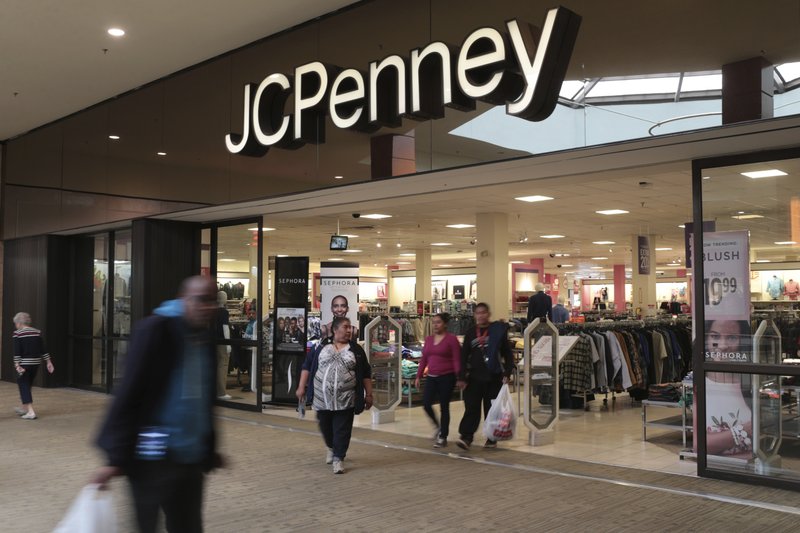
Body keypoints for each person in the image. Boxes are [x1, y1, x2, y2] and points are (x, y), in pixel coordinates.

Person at [92, 276, 224, 533]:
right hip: (152, 455)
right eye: (201, 300)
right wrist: (114, 456)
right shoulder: (156, 330)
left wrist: (210, 448)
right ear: (184, 299)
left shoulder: (204, 338)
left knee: (188, 526)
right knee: (147, 525)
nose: (208, 307)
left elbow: (205, 402)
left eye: (213, 301)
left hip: (190, 457)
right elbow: (129, 393)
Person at [295, 316, 373, 474]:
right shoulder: (321, 345)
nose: (349, 330)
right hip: (321, 399)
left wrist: (369, 394)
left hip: (346, 399)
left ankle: (339, 457)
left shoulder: (356, 350)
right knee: (325, 425)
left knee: (342, 429)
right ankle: (331, 447)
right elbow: (307, 366)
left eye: (350, 327)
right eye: (345, 327)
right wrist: (301, 387)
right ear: (335, 329)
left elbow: (365, 373)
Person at [456, 302, 514, 450]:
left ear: (488, 314)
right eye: (478, 313)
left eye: (483, 312)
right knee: (471, 408)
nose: (481, 315)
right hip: (474, 378)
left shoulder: (497, 331)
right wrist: (461, 377)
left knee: (492, 410)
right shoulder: (470, 333)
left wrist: (507, 372)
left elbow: (507, 353)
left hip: (494, 378)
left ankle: (491, 438)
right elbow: (463, 356)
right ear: (474, 315)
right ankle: (466, 437)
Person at [704, 319, 753, 459]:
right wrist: (743, 430)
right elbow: (700, 446)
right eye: (715, 336)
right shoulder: (700, 384)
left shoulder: (750, 381)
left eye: (731, 337)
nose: (723, 345)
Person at [414, 313, 462, 448]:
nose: (435, 325)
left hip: (447, 377)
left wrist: (459, 376)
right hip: (432, 377)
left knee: (444, 406)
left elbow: (457, 359)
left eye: (438, 322)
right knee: (426, 403)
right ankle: (438, 426)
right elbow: (424, 358)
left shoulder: (452, 340)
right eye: (434, 322)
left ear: (445, 324)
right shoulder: (429, 339)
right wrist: (418, 375)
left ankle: (443, 436)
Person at [12, 312, 55, 420]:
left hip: (24, 364)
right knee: (27, 384)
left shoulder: (18, 333)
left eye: (15, 323)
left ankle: (31, 412)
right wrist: (49, 362)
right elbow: (43, 349)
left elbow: (17, 351)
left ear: (19, 323)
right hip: (36, 364)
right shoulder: (37, 332)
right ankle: (24, 408)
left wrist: (17, 365)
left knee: (23, 384)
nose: (15, 325)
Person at [216, 291, 232, 400]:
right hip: (222, 342)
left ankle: (216, 391)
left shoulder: (213, 312)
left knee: (216, 366)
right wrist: (228, 344)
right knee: (223, 366)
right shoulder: (224, 312)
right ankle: (221, 392)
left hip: (214, 342)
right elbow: (225, 328)